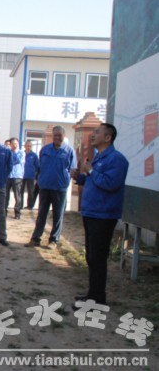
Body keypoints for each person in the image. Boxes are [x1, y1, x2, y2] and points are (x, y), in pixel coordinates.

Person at [73, 123, 128, 306]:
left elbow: (110, 183)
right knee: (91, 257)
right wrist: (79, 176)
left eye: (97, 132)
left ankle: (97, 299)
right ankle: (93, 294)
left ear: (107, 137)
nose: (92, 135)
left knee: (97, 257)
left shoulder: (117, 159)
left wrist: (90, 171)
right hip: (91, 212)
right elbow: (93, 180)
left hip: (103, 215)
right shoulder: (99, 157)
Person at [25, 126, 77, 249]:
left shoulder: (69, 151)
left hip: (60, 188)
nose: (57, 137)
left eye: (60, 135)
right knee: (41, 214)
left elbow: (73, 169)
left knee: (57, 215)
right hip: (45, 186)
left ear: (64, 136)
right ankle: (36, 238)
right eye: (55, 135)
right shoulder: (45, 149)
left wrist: (65, 180)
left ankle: (54, 240)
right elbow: (40, 167)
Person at [5, 137, 25, 219]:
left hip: (17, 176)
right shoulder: (7, 152)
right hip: (8, 176)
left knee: (17, 196)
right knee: (5, 195)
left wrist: (14, 153)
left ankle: (17, 212)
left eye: (16, 143)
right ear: (10, 144)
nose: (15, 145)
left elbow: (18, 161)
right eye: (13, 144)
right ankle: (4, 212)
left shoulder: (21, 153)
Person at [22, 141, 39, 210]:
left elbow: (37, 165)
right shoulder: (22, 154)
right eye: (27, 146)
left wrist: (35, 173)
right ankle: (20, 205)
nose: (28, 147)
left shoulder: (34, 155)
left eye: (30, 146)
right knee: (20, 191)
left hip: (31, 176)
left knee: (30, 191)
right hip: (22, 175)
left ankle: (30, 206)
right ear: (25, 146)